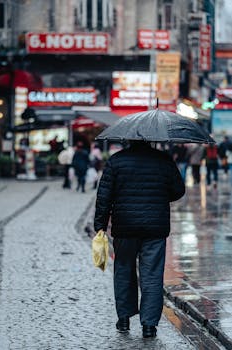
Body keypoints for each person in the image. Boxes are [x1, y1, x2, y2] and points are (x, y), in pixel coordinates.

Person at [94, 141, 185, 338]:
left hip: (125, 227)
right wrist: (159, 195)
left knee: (123, 270)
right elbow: (179, 190)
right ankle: (149, 325)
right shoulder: (163, 160)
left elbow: (104, 195)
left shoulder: (116, 161)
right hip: (155, 227)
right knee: (152, 275)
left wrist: (100, 225)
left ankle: (124, 318)